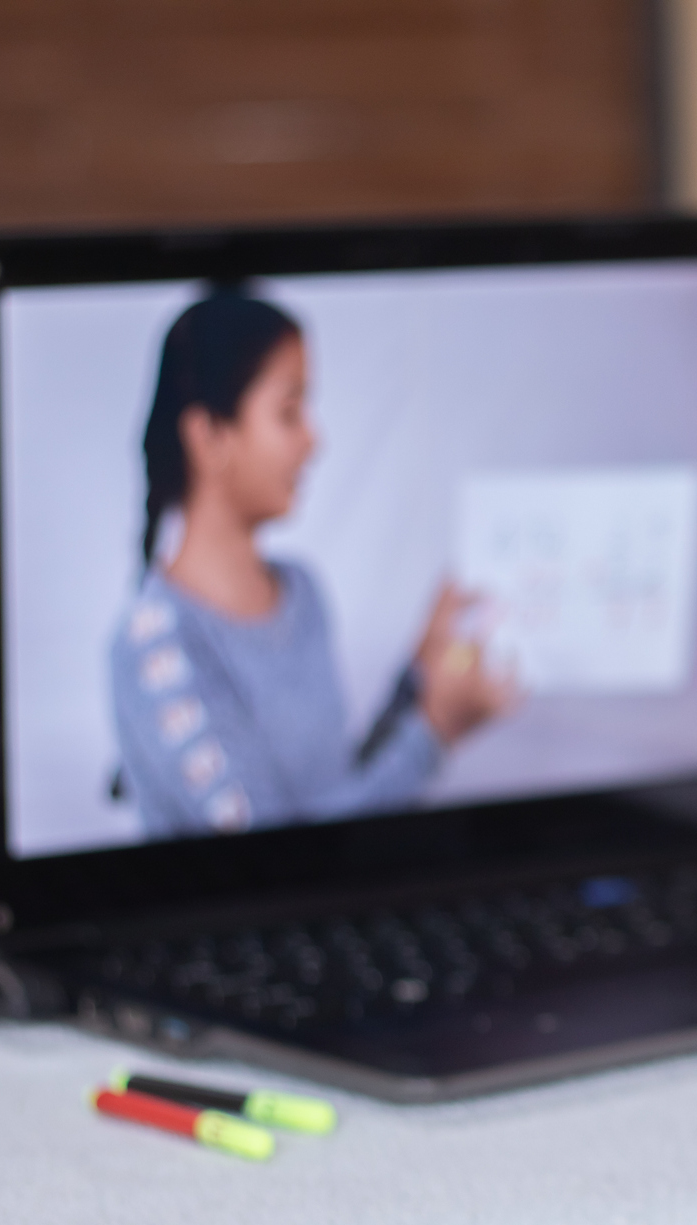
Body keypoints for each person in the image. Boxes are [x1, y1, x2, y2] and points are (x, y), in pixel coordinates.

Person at [109, 289, 511, 839]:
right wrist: (435, 733)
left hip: (336, 914)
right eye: (289, 412)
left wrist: (420, 676)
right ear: (209, 438)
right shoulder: (153, 648)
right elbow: (277, 859)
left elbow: (334, 794)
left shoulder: (302, 591)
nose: (314, 440)